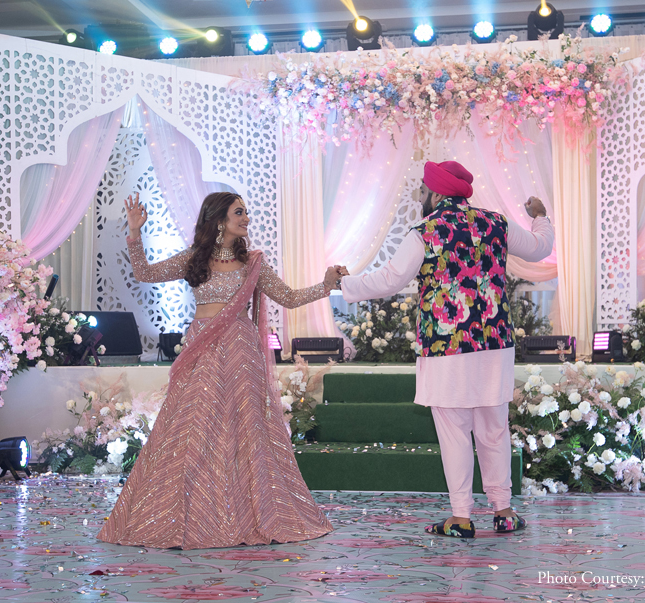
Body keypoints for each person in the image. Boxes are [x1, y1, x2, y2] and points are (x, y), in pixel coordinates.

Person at [98, 191, 339, 549]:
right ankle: (188, 513)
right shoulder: (194, 258)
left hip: (241, 350)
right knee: (192, 424)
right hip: (203, 348)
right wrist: (135, 233)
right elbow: (145, 273)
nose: (246, 218)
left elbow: (287, 298)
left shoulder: (252, 262)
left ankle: (248, 513)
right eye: (239, 212)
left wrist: (326, 285)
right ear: (219, 219)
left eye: (245, 212)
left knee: (245, 427)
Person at [339, 161, 554, 537]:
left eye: (423, 191)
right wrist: (540, 217)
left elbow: (391, 278)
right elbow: (540, 248)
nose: (421, 197)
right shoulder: (496, 223)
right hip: (494, 342)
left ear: (436, 193)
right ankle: (503, 511)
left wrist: (346, 283)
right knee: (494, 429)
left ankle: (461, 516)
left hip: (447, 344)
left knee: (455, 430)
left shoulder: (426, 230)